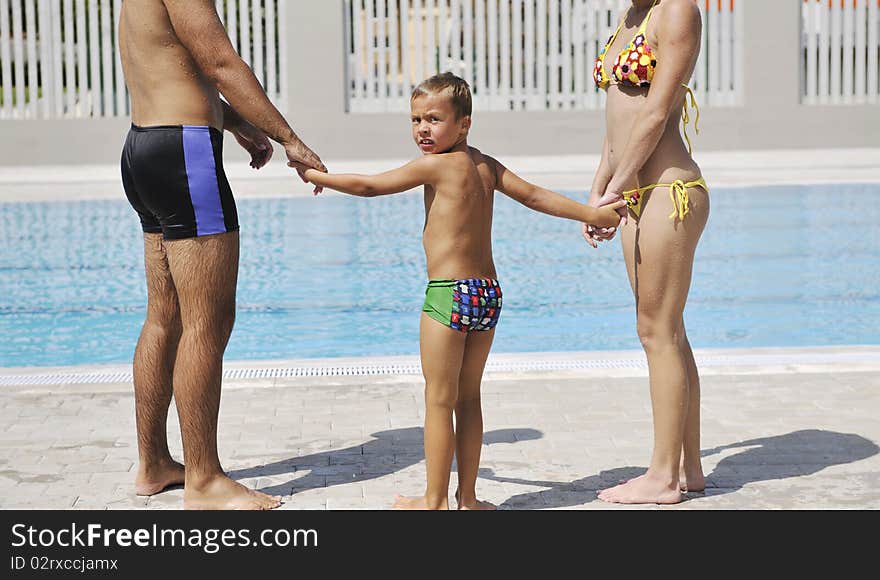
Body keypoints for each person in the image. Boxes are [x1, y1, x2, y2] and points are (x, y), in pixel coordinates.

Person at [298, 72, 625, 510]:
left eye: (433, 119)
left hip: (449, 293)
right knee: (468, 398)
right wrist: (591, 213)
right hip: (487, 294)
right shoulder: (486, 166)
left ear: (464, 123)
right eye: (415, 120)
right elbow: (533, 196)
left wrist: (319, 175)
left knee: (438, 399)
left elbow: (370, 186)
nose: (422, 129)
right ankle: (468, 497)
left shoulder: (434, 166)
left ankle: (433, 501)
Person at [118, 0, 325, 510]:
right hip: (184, 154)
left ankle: (154, 463)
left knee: (164, 316)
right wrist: (290, 139)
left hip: (145, 146)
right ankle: (205, 480)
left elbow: (174, 66)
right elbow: (220, 63)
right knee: (207, 321)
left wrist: (233, 122)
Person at [584, 0, 710, 504]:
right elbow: (617, 120)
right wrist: (599, 191)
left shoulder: (677, 10)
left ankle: (662, 477)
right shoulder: (629, 18)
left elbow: (656, 113)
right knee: (669, 332)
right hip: (635, 191)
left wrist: (617, 185)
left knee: (655, 330)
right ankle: (688, 468)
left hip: (668, 190)